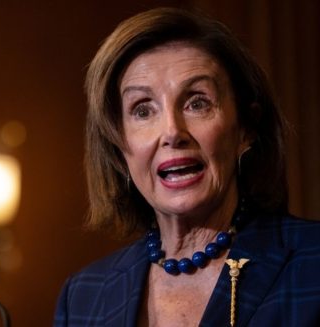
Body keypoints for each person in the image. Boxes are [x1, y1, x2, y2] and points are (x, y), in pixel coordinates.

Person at [54, 7, 320, 327]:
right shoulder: (84, 297)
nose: (172, 132)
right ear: (118, 146)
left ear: (246, 127)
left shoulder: (312, 263)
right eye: (142, 110)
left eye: (197, 103)